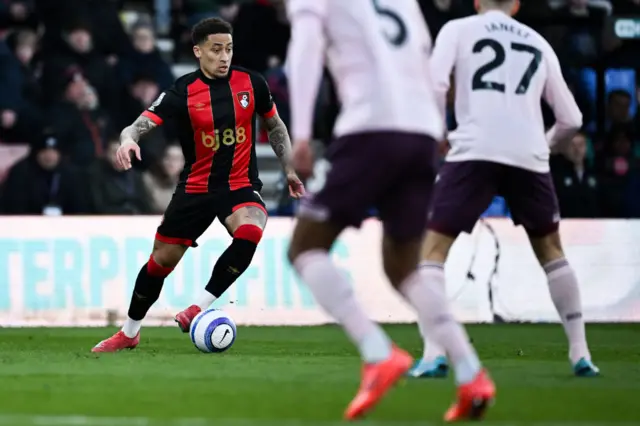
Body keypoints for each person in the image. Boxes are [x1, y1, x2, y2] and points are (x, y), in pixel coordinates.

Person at [286, 0, 494, 422]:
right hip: (419, 134)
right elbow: (425, 59)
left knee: (305, 247)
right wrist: (436, 127)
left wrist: (302, 134)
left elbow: (305, 46)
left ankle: (377, 352)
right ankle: (472, 373)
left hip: (370, 128)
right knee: (404, 267)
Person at [409, 0, 600, 380]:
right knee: (551, 252)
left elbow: (434, 83)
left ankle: (434, 354)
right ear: (516, 5)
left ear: (477, 2)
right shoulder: (538, 41)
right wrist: (541, 145)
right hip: (528, 156)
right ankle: (581, 354)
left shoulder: (458, 30)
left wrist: (437, 134)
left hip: (474, 149)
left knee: (431, 252)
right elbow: (572, 118)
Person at [92, 17, 304, 352]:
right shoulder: (182, 92)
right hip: (195, 188)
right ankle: (129, 333)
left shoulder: (253, 83)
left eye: (229, 49)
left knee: (251, 230)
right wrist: (127, 141)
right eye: (216, 49)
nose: (224, 57)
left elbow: (275, 126)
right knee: (159, 263)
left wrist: (289, 169)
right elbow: (134, 128)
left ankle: (197, 308)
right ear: (197, 51)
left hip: (238, 184)